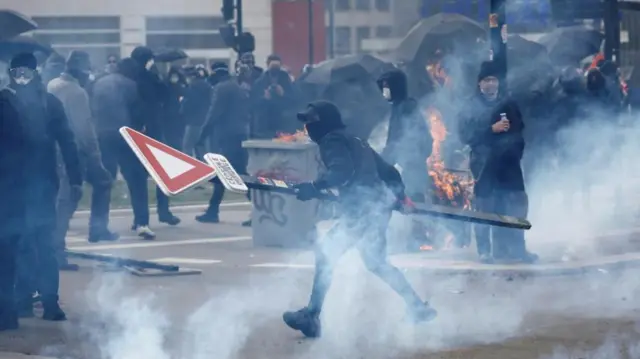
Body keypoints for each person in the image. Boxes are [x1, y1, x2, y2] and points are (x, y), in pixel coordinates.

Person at [282, 100, 437, 338]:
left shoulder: (331, 141)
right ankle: (417, 308)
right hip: (377, 208)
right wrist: (401, 198)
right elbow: (391, 173)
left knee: (326, 254)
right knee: (376, 262)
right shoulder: (356, 141)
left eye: (310, 123)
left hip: (361, 211)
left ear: (323, 123)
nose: (307, 129)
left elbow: (341, 172)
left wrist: (314, 187)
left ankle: (311, 316)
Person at [9, 52, 82, 320]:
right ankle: (49, 303)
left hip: (13, 187)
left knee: (19, 243)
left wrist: (75, 176)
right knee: (43, 242)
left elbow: (67, 141)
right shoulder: (49, 103)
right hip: (42, 184)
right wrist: (75, 177)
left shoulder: (7, 102)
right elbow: (68, 142)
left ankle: (23, 301)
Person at [458, 61, 538, 264]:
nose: (491, 84)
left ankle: (518, 249)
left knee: (516, 205)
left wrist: (516, 149)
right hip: (485, 164)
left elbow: (520, 128)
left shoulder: (508, 103)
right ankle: (485, 251)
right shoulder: (470, 106)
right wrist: (490, 130)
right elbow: (466, 135)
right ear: (479, 83)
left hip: (509, 163)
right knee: (485, 206)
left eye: (493, 79)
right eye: (486, 80)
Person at [48, 51, 118, 270]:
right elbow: (84, 130)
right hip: (72, 153)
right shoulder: (77, 93)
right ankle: (58, 251)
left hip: (52, 150)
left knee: (60, 199)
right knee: (68, 199)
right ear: (81, 70)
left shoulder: (52, 85)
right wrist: (95, 158)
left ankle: (59, 245)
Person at [92, 58, 155, 239]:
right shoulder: (130, 85)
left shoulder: (99, 83)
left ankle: (98, 224)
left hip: (103, 135)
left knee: (105, 181)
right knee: (137, 180)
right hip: (126, 136)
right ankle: (142, 222)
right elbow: (138, 114)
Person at [377, 68, 433, 248]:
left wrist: (384, 163)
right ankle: (411, 240)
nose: (384, 90)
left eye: (387, 86)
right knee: (405, 199)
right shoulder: (400, 106)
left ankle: (417, 240)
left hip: (412, 165)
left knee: (413, 200)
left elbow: (401, 139)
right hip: (407, 164)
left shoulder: (406, 107)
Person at [130, 46, 181, 229]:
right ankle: (163, 211)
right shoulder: (149, 76)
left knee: (137, 179)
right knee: (161, 172)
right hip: (152, 128)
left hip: (135, 130)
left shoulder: (130, 77)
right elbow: (165, 96)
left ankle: (139, 219)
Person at [195, 63, 250, 223]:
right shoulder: (237, 87)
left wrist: (202, 135)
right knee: (229, 172)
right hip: (239, 134)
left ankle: (261, 209)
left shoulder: (222, 88)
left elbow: (214, 113)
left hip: (228, 135)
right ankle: (213, 210)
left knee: (235, 173)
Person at [0, 82, 29, 330]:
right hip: (11, 195)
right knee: (7, 258)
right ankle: (8, 315)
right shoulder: (12, 108)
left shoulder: (8, 108)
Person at [252, 54, 294, 138]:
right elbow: (253, 104)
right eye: (272, 66)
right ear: (267, 65)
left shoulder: (286, 80)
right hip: (265, 123)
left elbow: (296, 99)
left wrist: (283, 94)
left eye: (277, 66)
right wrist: (264, 98)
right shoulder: (259, 82)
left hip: (283, 123)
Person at [182, 65, 212, 158]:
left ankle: (189, 168)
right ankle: (205, 168)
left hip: (193, 122)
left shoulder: (192, 86)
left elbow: (188, 103)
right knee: (202, 148)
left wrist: (182, 110)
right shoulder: (207, 85)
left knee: (187, 147)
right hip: (204, 120)